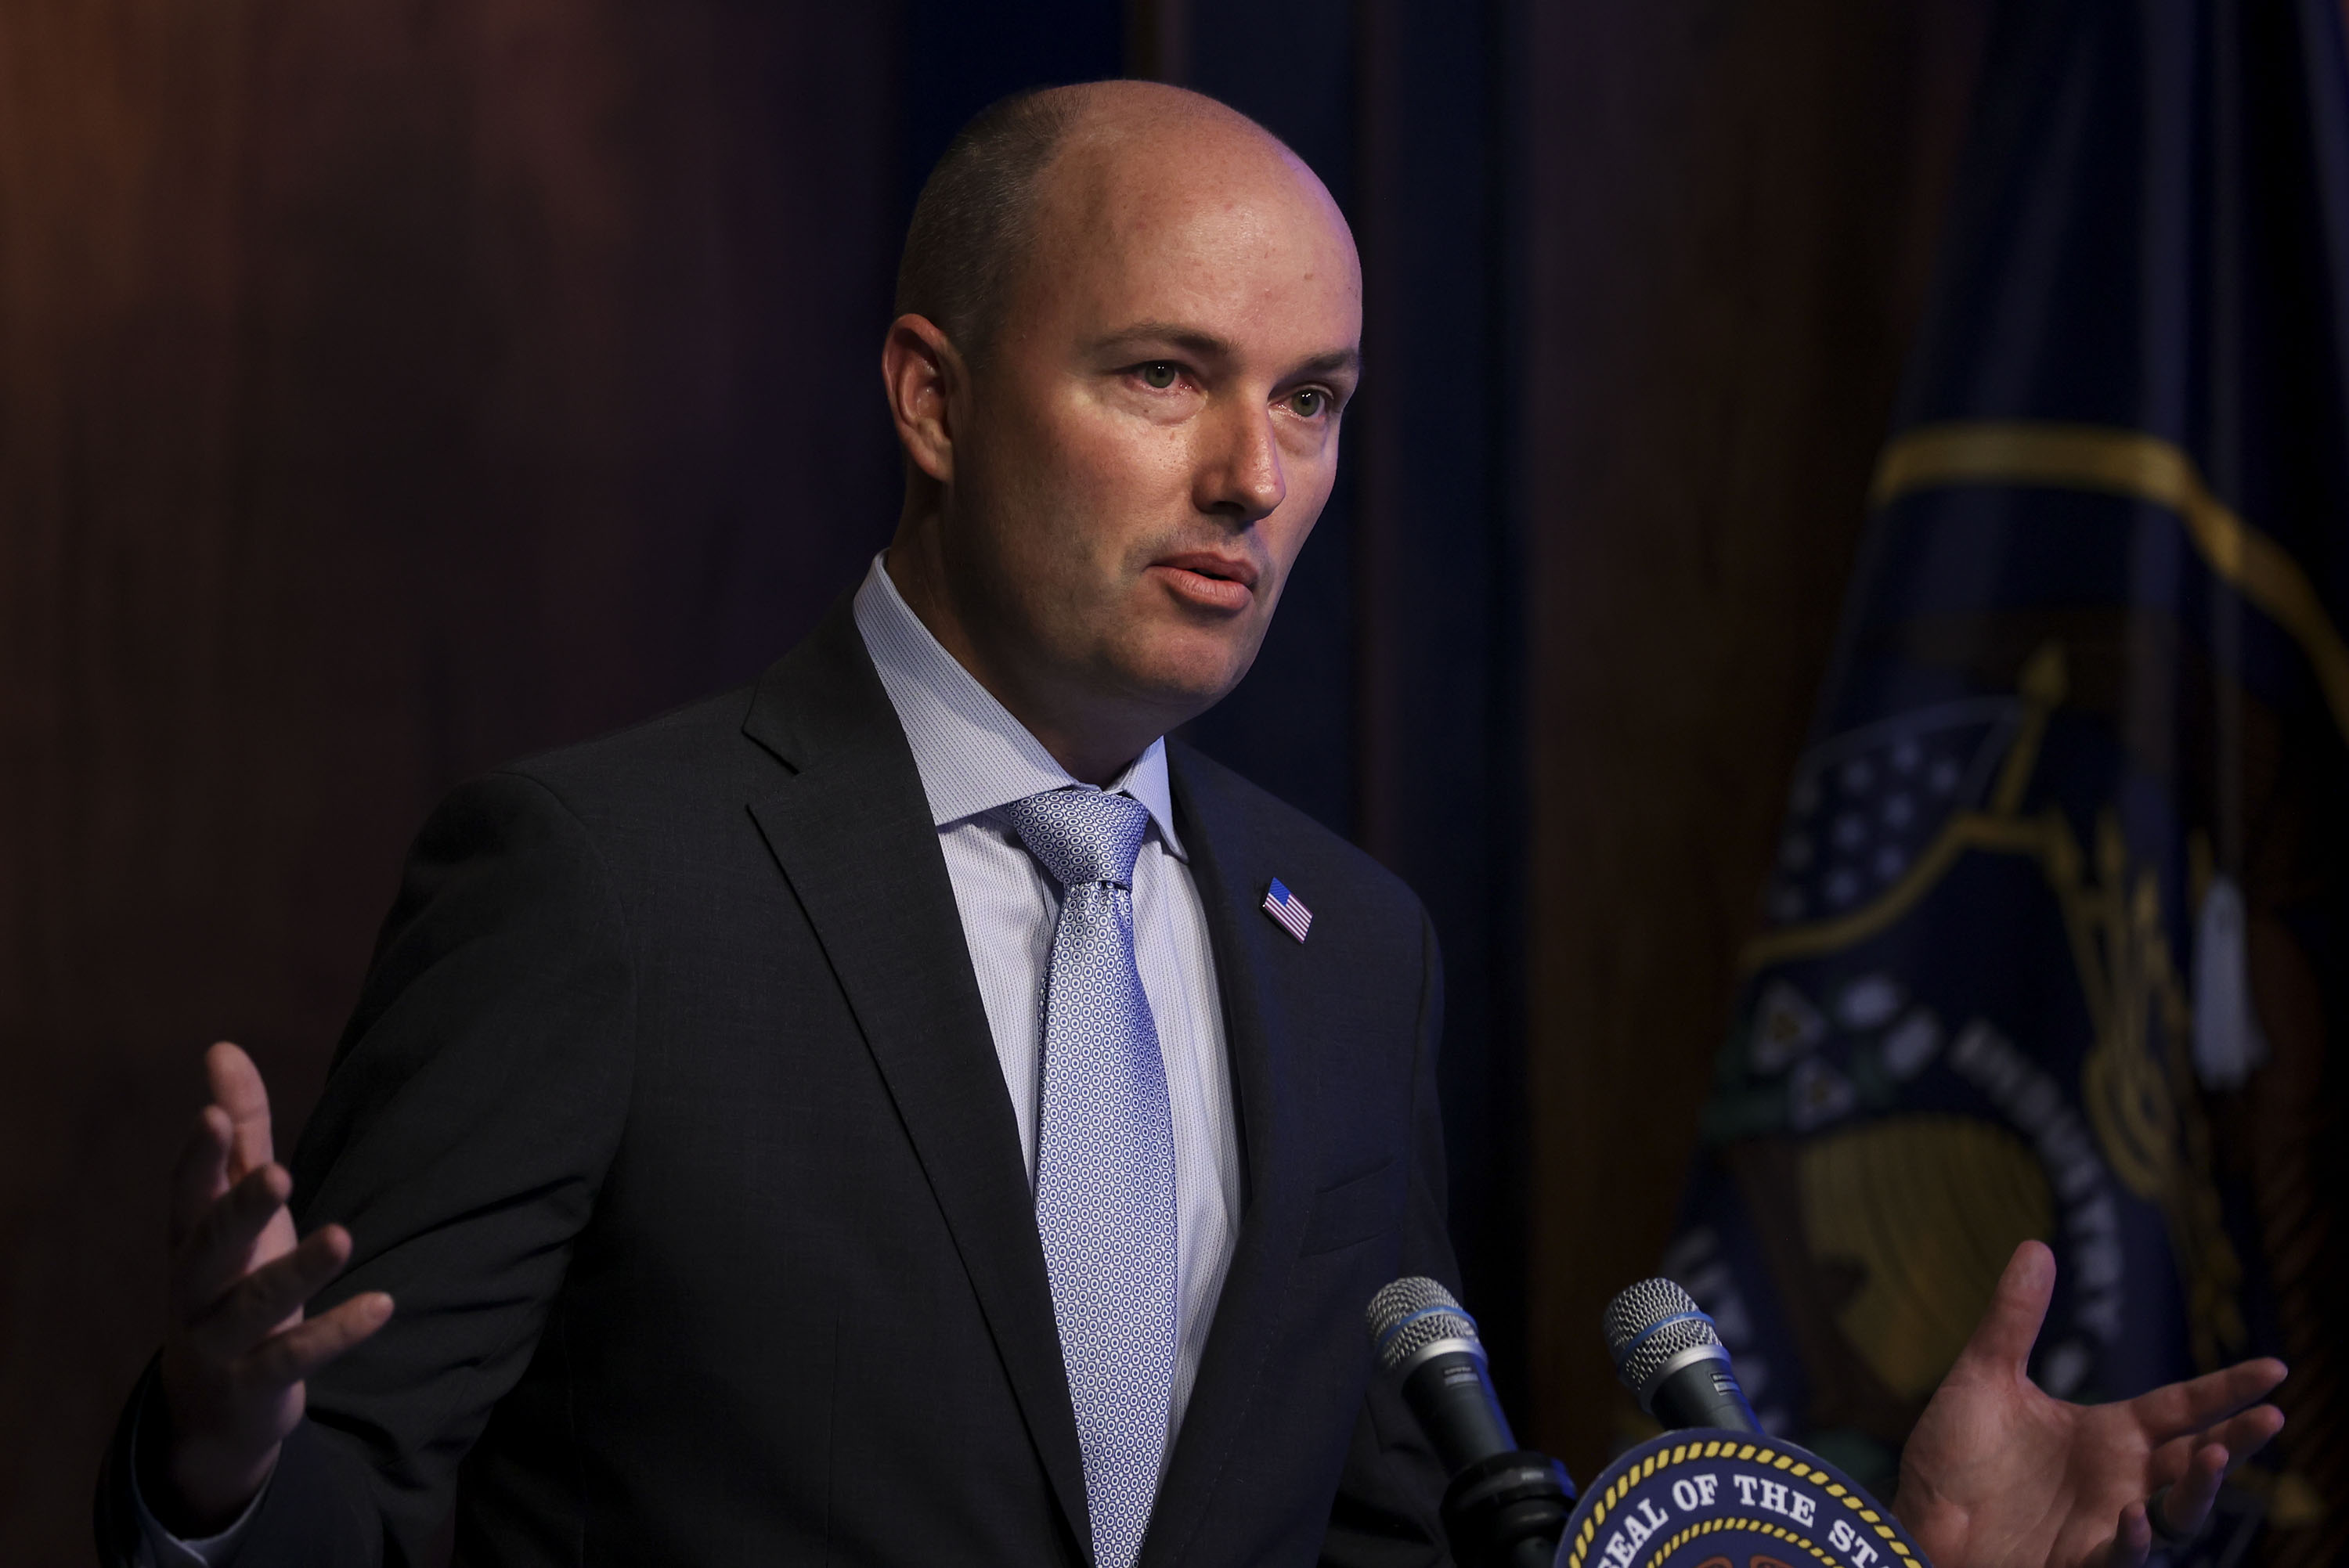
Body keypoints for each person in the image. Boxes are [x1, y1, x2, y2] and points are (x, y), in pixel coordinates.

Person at [97, 81, 2286, 1568]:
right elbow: (345, 1493)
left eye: (1313, 401)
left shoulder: (1352, 941)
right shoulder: (602, 883)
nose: (1254, 475)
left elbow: (1397, 1548)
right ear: (934, 397)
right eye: (1165, 374)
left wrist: (1882, 1540)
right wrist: (215, 1457)